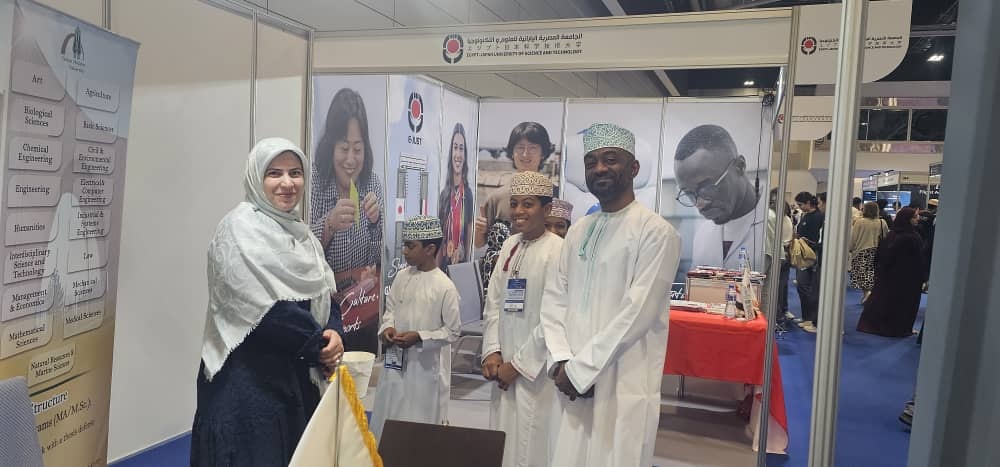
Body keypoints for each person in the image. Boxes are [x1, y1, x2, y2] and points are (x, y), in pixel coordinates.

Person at [192, 138, 344, 467]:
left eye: (295, 173)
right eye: (274, 173)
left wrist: (334, 331)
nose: (287, 183)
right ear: (256, 177)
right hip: (248, 391)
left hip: (295, 381)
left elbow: (324, 292)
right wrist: (319, 343)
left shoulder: (303, 236)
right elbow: (262, 311)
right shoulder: (237, 230)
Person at [541, 123, 681, 467]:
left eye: (610, 159)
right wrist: (561, 360)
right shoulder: (579, 230)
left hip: (621, 381)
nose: (600, 168)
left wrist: (582, 371)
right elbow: (554, 298)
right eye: (591, 162)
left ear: (633, 168)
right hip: (570, 377)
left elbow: (638, 313)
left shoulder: (656, 232)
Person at [481, 171, 563, 467]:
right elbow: (493, 302)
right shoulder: (509, 245)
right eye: (514, 203)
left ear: (546, 208)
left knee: (533, 443)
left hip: (536, 372)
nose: (518, 211)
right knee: (503, 438)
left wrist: (517, 366)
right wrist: (492, 351)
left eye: (528, 204)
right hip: (503, 362)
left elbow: (554, 318)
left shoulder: (558, 251)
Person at [369, 215, 462, 440]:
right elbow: (390, 310)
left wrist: (420, 337)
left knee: (418, 423)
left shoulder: (445, 287)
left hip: (425, 369)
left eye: (411, 246)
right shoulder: (402, 277)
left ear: (430, 249)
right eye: (404, 245)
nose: (404, 251)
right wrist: (387, 329)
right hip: (394, 364)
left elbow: (452, 331)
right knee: (388, 414)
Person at [310, 88, 384, 353]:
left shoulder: (371, 183)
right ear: (331, 146)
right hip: (323, 318)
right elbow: (299, 251)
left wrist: (375, 223)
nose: (351, 159)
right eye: (344, 148)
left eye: (358, 149)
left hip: (362, 315)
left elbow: (380, 260)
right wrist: (328, 225)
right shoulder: (315, 183)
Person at [476, 122, 556, 292]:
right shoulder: (496, 198)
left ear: (543, 153)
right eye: (520, 147)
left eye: (533, 148)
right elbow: (479, 243)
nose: (525, 154)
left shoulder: (555, 196)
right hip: (499, 279)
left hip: (540, 278)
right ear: (512, 152)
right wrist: (479, 231)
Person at [674, 124, 764, 270]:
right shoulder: (702, 235)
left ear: (739, 166)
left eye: (707, 187)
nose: (700, 204)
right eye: (689, 193)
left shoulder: (772, 228)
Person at [856, 208, 926, 337]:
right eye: (915, 217)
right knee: (902, 303)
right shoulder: (909, 237)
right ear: (907, 219)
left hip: (892, 276)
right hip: (905, 278)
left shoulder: (894, 234)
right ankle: (898, 328)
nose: (918, 219)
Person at [437, 123, 474, 270]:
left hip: (460, 265)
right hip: (443, 264)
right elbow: (439, 236)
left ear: (465, 155)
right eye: (455, 147)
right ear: (451, 152)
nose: (458, 154)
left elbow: (469, 233)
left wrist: (466, 260)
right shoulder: (444, 195)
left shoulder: (468, 195)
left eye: (461, 148)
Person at [793, 191, 823, 333]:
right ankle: (807, 317)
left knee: (807, 287)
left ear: (808, 203)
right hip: (803, 254)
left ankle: (811, 318)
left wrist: (808, 242)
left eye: (800, 205)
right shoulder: (806, 215)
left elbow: (818, 239)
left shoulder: (818, 217)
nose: (799, 207)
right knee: (802, 286)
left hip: (811, 256)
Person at [850, 201, 889, 303]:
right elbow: (886, 237)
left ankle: (867, 294)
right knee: (874, 274)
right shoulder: (882, 222)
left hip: (861, 252)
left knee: (863, 276)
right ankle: (870, 295)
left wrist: (850, 249)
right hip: (877, 252)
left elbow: (853, 238)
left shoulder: (859, 222)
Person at [766, 188, 793, 321]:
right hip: (785, 253)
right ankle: (782, 312)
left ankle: (776, 315)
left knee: (773, 287)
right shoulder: (787, 218)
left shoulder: (771, 217)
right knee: (782, 286)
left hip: (776, 254)